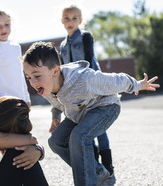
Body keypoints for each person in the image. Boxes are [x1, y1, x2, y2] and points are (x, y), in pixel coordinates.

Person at [22, 42, 160, 186]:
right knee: (55, 141)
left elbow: (116, 80)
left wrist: (138, 85)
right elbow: (57, 101)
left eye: (36, 76)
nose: (32, 82)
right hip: (80, 113)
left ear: (55, 71)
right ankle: (97, 172)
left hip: (106, 107)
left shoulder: (84, 79)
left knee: (79, 136)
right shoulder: (45, 85)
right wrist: (55, 115)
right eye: (28, 77)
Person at [59, 5, 115, 184]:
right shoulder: (62, 45)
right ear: (62, 21)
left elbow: (90, 60)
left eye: (74, 18)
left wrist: (91, 85)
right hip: (75, 93)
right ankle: (97, 170)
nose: (70, 22)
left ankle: (109, 169)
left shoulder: (85, 37)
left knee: (100, 130)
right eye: (67, 18)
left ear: (80, 21)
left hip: (92, 86)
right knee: (84, 129)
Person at [0, 9, 31, 107]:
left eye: (6, 24)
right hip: (4, 104)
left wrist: (26, 97)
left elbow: (20, 75)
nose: (3, 29)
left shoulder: (16, 47)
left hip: (21, 101)